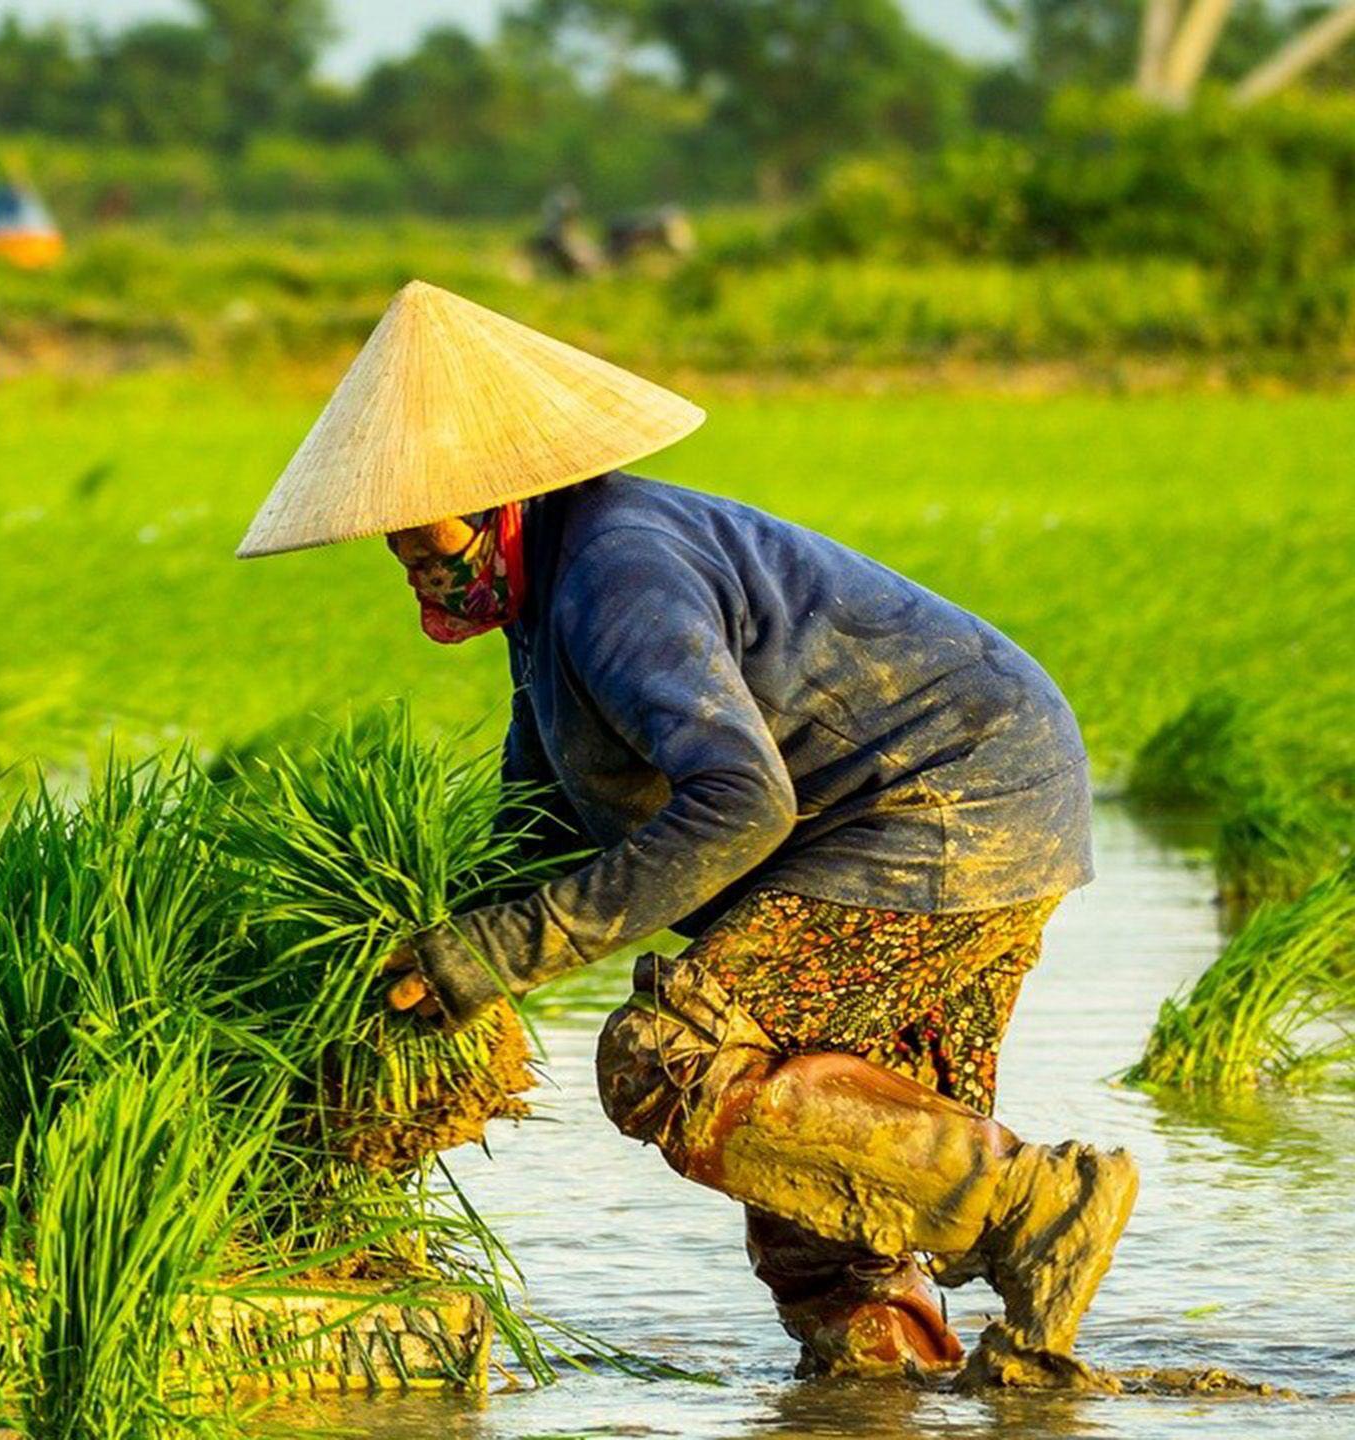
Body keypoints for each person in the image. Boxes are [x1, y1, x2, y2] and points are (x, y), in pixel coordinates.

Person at [235, 281, 1137, 1391]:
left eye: (422, 521)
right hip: (942, 809)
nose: (406, 552)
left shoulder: (616, 577)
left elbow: (739, 799)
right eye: (392, 527)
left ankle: (1032, 1204)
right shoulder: (549, 592)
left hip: (944, 808)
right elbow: (544, 827)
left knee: (671, 1058)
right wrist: (410, 943)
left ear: (498, 494)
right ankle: (902, 1392)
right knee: (814, 1181)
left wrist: (509, 950)